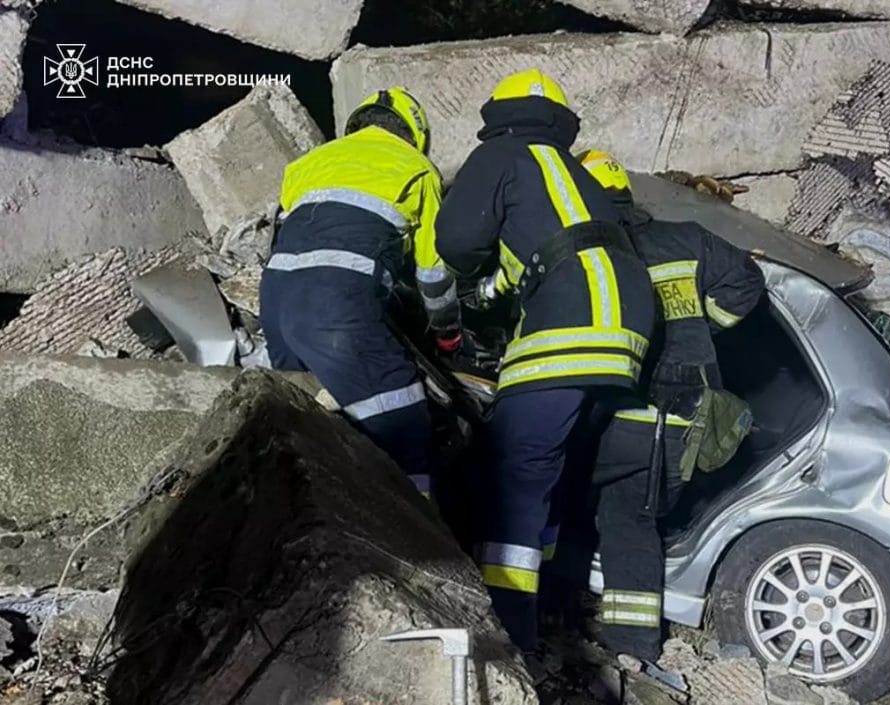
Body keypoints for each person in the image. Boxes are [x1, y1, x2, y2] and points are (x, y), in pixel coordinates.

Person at [435, 69, 656, 652]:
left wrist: (464, 289)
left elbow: (457, 242)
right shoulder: (575, 173)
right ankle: (553, 607)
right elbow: (547, 250)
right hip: (627, 327)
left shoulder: (501, 154)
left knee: (514, 474)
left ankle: (506, 633)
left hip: (570, 322)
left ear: (495, 113)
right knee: (553, 472)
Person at [578, 149, 765, 665]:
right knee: (634, 516)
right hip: (688, 417)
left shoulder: (593, 250)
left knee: (573, 498)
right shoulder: (686, 239)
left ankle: (553, 617)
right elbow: (747, 281)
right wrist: (707, 323)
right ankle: (633, 644)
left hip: (628, 409)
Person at [259, 87, 460, 499]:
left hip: (275, 301)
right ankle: (420, 542)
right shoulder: (417, 168)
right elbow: (434, 274)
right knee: (403, 420)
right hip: (335, 307)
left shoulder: (307, 163)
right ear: (415, 134)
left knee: (310, 427)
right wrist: (448, 334)